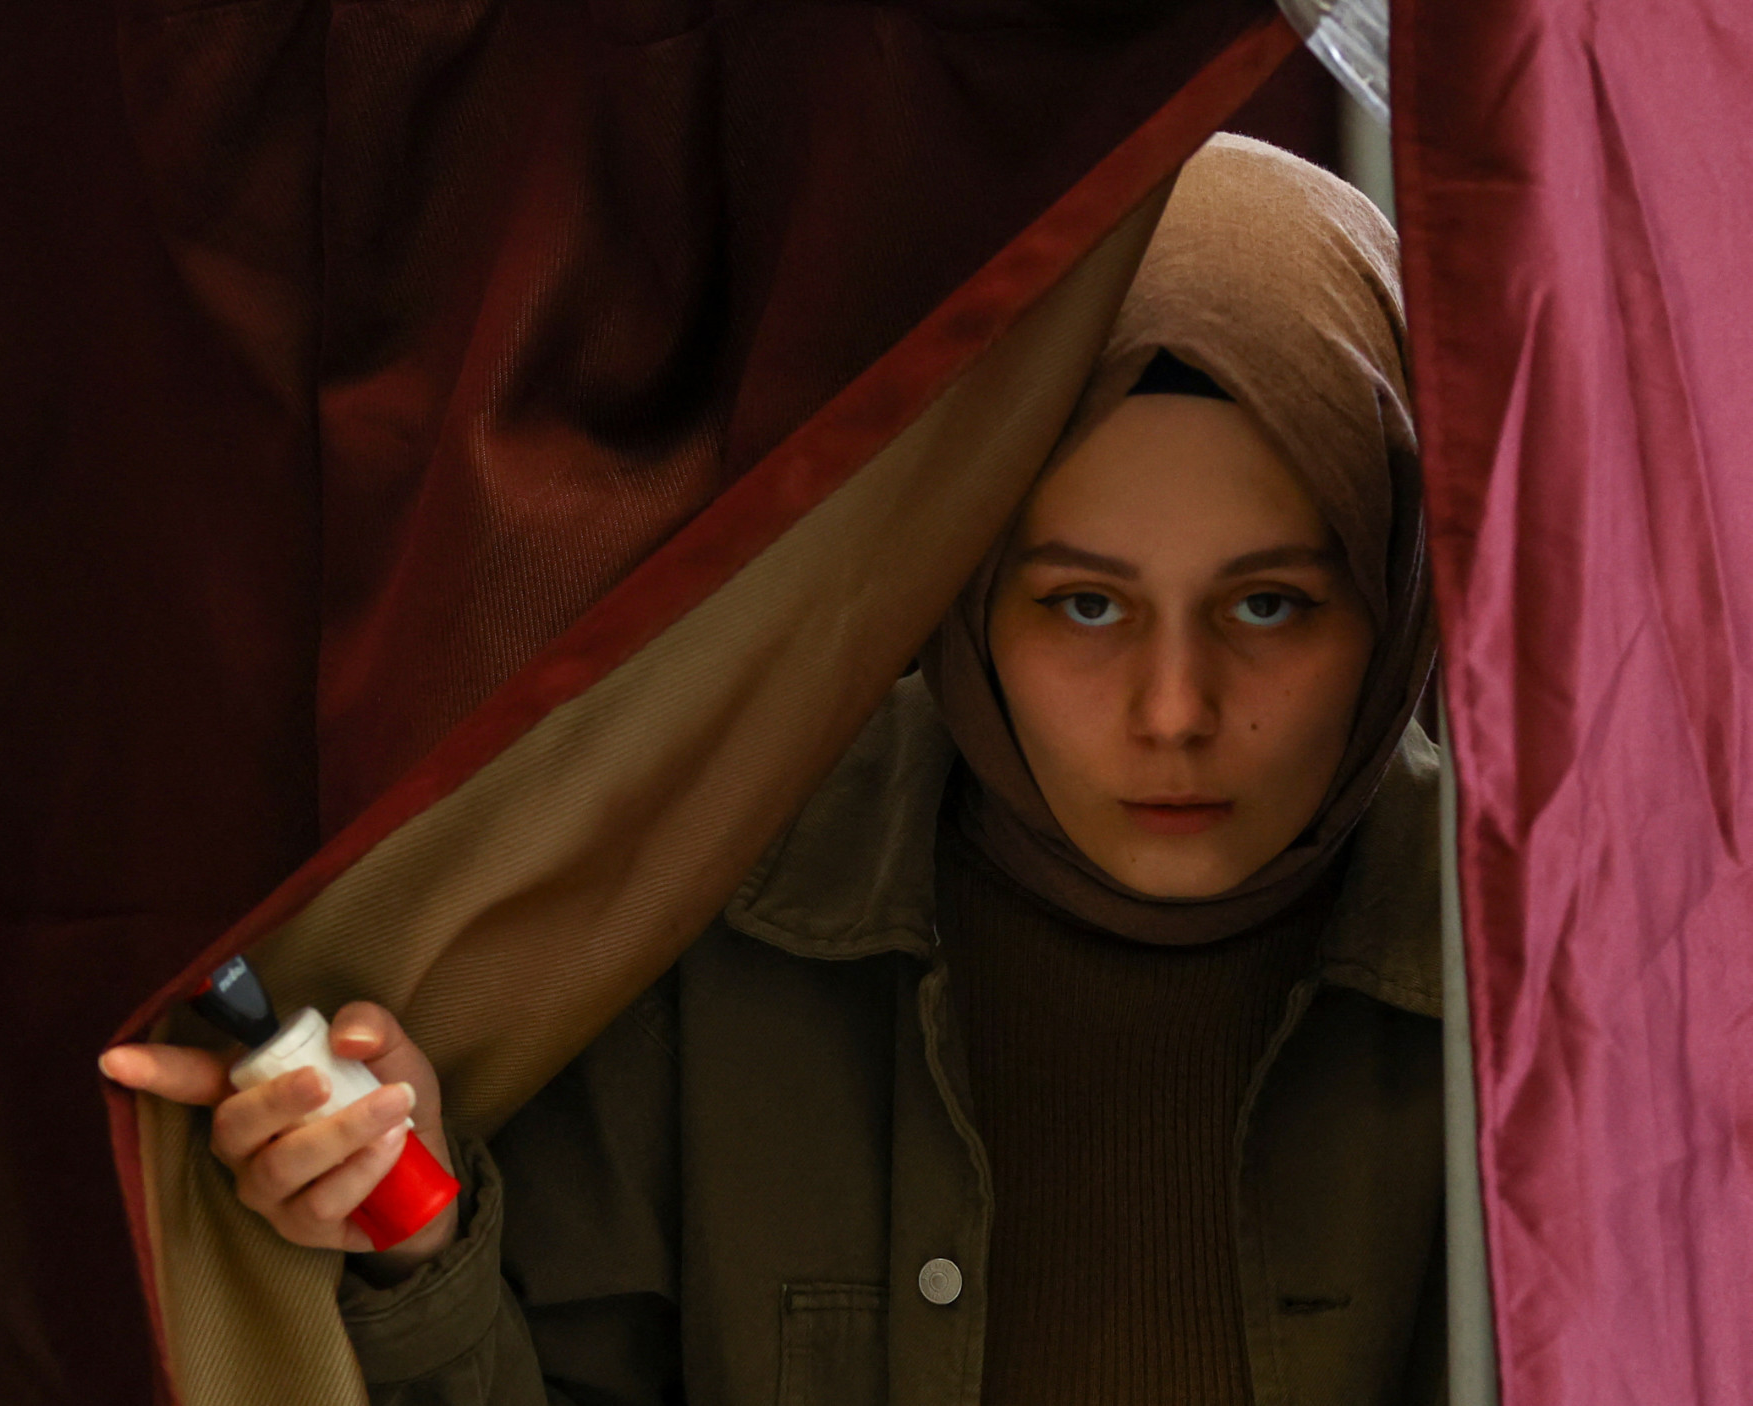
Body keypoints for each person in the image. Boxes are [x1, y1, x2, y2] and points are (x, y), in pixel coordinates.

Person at [102, 133, 1445, 1406]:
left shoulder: (1535, 974)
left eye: (1269, 605)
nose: (1175, 708)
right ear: (961, 577)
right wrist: (400, 1215)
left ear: (1392, 597)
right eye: (1084, 606)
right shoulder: (727, 898)